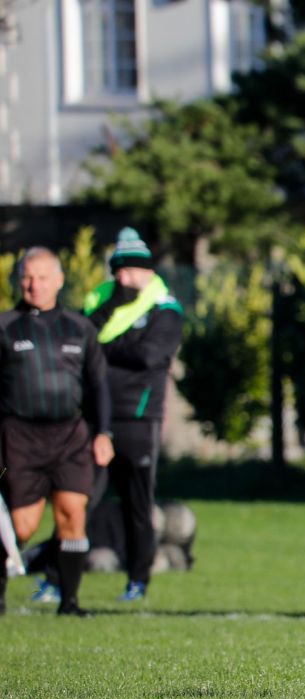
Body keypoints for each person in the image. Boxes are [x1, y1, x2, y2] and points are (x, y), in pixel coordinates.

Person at [0, 248, 114, 616]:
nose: (34, 284)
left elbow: (98, 385)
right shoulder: (5, 326)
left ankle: (70, 601)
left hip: (69, 437)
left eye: (43, 277)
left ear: (60, 280)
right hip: (20, 437)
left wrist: (104, 433)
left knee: (72, 514)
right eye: (28, 277)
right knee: (23, 525)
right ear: (19, 281)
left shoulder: (79, 329)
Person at [82, 228, 184, 602]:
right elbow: (79, 340)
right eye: (118, 271)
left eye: (130, 271)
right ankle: (59, 577)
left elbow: (149, 356)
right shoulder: (101, 300)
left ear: (146, 271)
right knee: (80, 500)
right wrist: (109, 317)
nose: (123, 278)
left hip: (139, 418)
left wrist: (103, 349)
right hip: (94, 417)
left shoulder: (165, 307)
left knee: (137, 503)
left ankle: (138, 578)